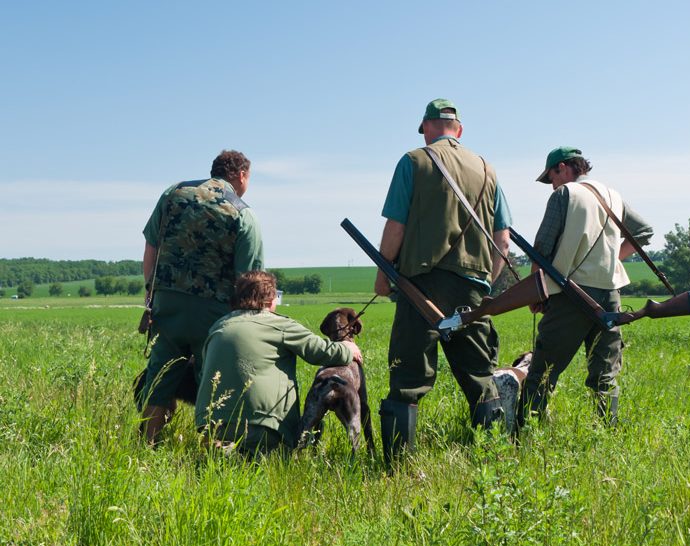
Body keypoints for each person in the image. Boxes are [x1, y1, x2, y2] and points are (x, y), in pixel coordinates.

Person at [374, 98, 513, 464]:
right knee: (480, 374)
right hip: (474, 285)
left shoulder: (413, 161)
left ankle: (398, 466)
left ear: (426, 128)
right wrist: (486, 286)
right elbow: (503, 239)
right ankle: (494, 457)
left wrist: (383, 272)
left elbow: (396, 226)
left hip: (421, 284)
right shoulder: (487, 169)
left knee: (408, 376)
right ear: (459, 130)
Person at [515, 146, 653, 433]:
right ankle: (607, 434)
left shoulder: (565, 195)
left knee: (542, 371)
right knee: (604, 374)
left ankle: (525, 434)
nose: (551, 184)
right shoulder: (612, 195)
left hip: (571, 295)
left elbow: (541, 249)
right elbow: (643, 232)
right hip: (610, 294)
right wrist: (611, 259)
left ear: (563, 168)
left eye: (551, 177)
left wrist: (537, 292)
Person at [139, 150, 264, 444]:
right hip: (214, 311)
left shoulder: (174, 193)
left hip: (166, 302)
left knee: (159, 376)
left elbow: (150, 246)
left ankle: (147, 444)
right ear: (242, 175)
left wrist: (150, 294)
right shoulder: (243, 212)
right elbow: (250, 280)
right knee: (213, 380)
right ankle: (208, 452)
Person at [194, 271, 363, 458]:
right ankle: (246, 453)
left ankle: (224, 450)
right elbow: (320, 352)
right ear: (269, 299)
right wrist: (348, 349)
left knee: (231, 455)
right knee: (268, 456)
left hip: (210, 424)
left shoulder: (218, 326)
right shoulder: (280, 325)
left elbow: (202, 374)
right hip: (263, 424)